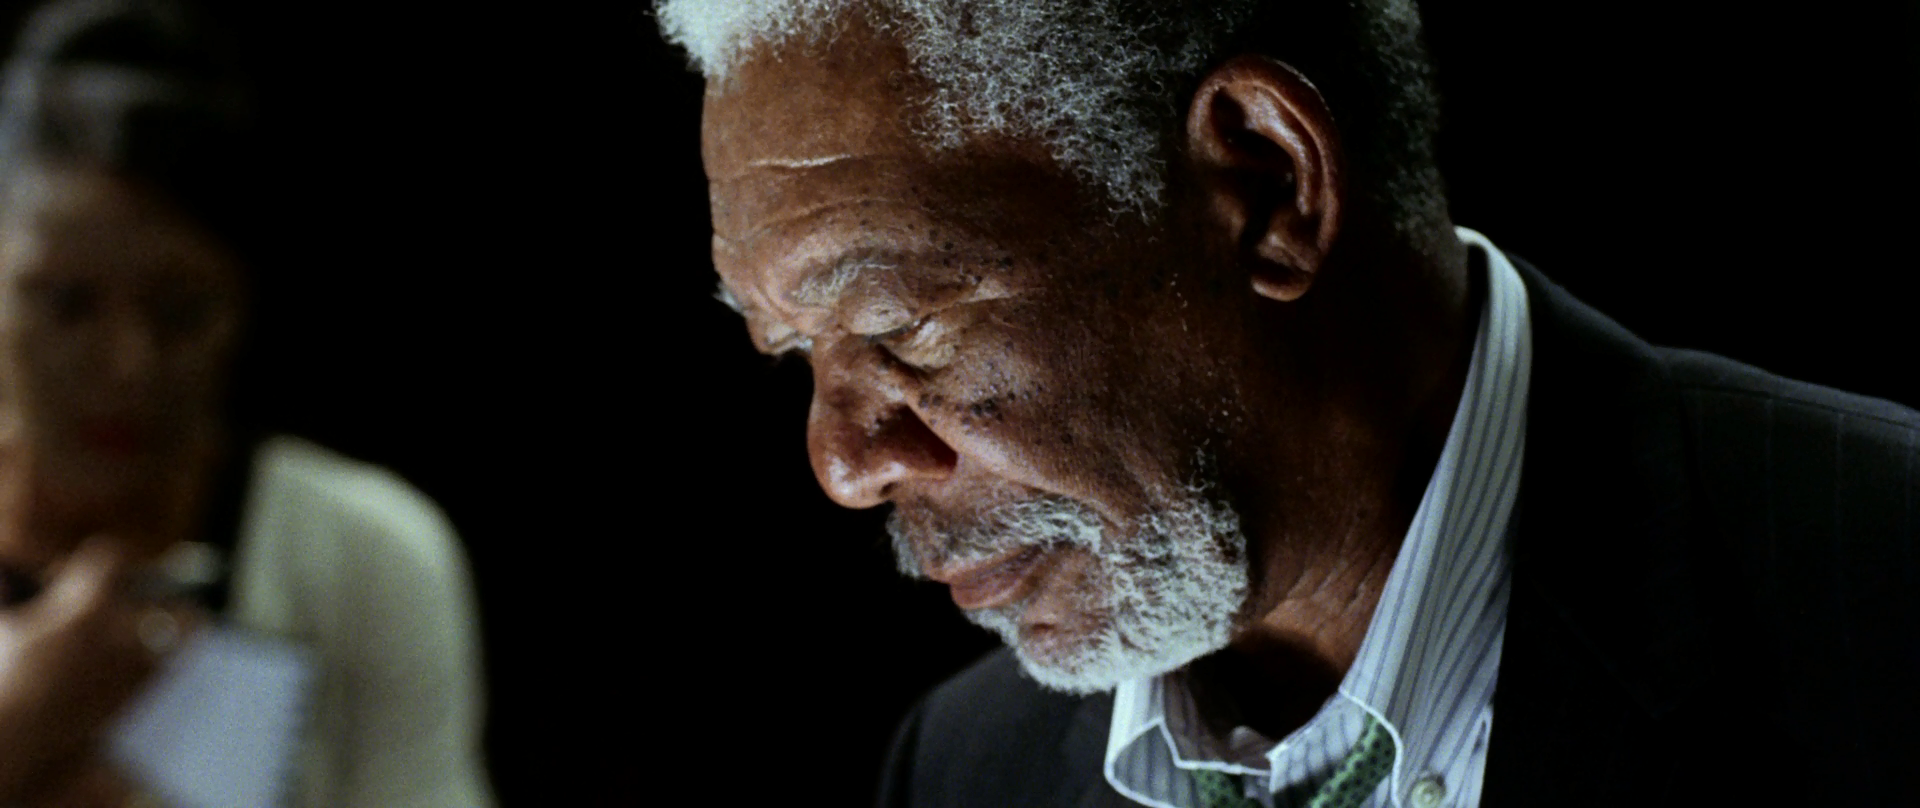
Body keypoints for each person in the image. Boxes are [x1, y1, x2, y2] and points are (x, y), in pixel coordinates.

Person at [654, 1, 1920, 806]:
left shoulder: (1884, 605)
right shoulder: (964, 771)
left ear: (1266, 185)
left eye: (896, 323)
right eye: (795, 351)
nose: (844, 462)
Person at [0, 0, 495, 805]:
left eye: (180, 313)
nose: (126, 366)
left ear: (242, 307)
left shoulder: (364, 558)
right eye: (66, 304)